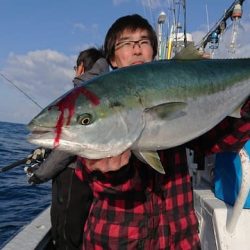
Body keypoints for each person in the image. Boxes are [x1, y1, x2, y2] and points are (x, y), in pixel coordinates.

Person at [77, 14, 250, 249]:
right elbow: (92, 178)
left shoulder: (177, 88)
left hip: (180, 239)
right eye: (127, 43)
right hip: (119, 240)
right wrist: (111, 174)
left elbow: (221, 141)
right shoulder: (98, 102)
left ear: (154, 52)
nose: (137, 49)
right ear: (112, 59)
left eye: (144, 41)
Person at [25, 47, 109, 250]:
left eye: (75, 67)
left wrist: (39, 174)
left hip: (73, 179)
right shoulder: (104, 88)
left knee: (66, 236)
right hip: (95, 177)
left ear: (81, 67)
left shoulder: (84, 92)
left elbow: (70, 145)